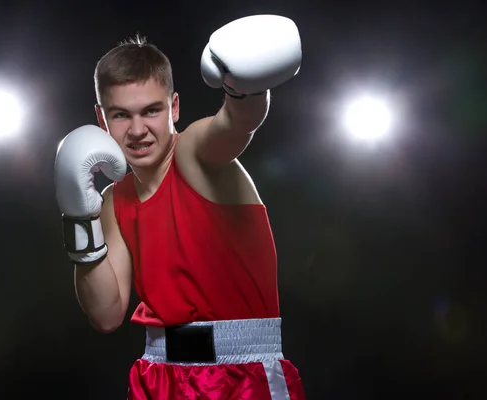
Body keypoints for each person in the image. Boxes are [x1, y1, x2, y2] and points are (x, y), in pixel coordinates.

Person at [54, 14, 305, 400]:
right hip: (157, 377)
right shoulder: (111, 201)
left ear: (173, 108)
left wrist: (246, 90)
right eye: (121, 115)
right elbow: (105, 315)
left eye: (150, 111)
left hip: (241, 377)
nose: (137, 131)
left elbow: (236, 125)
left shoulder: (193, 153)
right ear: (101, 118)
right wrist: (78, 217)